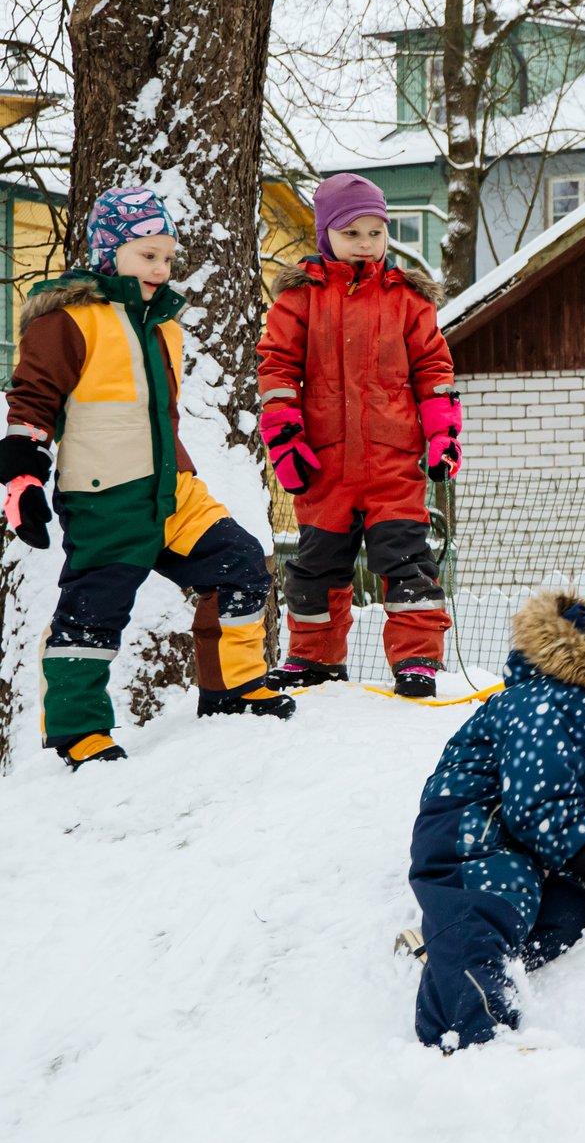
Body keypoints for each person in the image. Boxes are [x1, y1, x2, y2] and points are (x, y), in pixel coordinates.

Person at [0, 186, 293, 770]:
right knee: (94, 608)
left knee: (239, 560)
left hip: (173, 488)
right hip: (106, 494)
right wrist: (22, 481)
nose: (161, 268)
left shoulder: (165, 326)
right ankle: (78, 730)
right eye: (147, 254)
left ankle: (231, 687)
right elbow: (32, 404)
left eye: (167, 257)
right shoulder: (66, 322)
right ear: (110, 253)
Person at [404, 512, 585, 1051]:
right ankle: (470, 1036)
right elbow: (536, 798)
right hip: (474, 820)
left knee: (569, 907)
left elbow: (571, 766)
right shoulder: (557, 694)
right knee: (503, 894)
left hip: (520, 821)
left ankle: (452, 945)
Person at [257, 172, 460, 698]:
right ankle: (314, 658)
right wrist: (285, 441)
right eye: (352, 234)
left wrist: (443, 438)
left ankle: (417, 659)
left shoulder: (407, 301)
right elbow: (277, 373)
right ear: (327, 235)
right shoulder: (300, 298)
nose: (365, 245)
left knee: (407, 563)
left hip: (392, 464)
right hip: (322, 464)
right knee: (315, 567)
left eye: (375, 233)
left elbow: (435, 375)